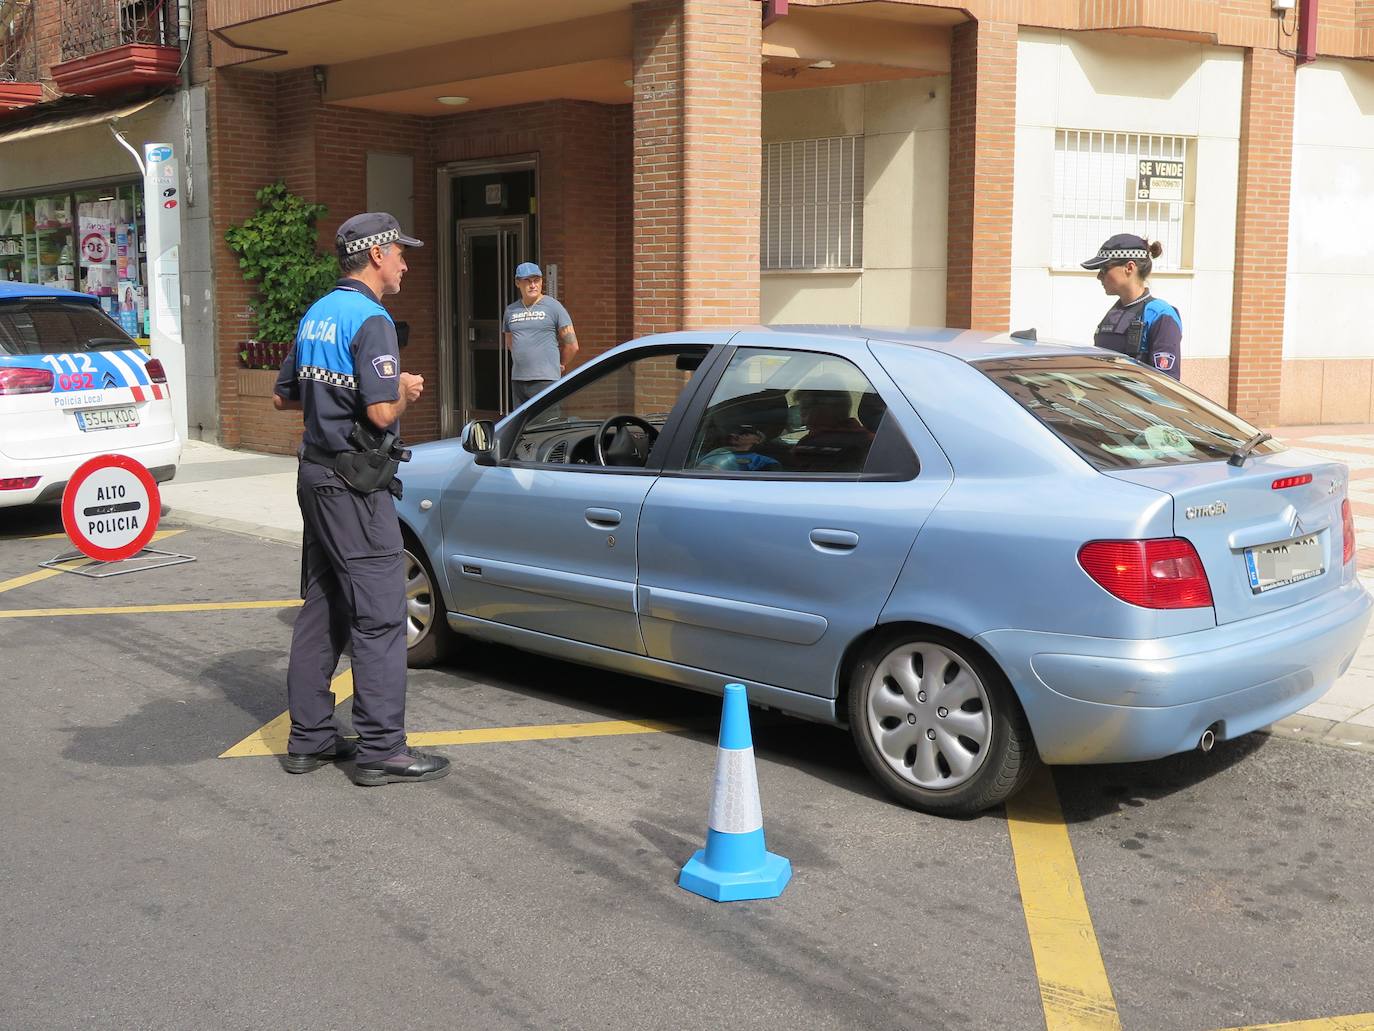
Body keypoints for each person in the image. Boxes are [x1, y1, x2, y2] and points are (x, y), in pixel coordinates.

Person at [272, 212, 451, 787]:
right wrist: (403, 391)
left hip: (316, 475)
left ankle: (311, 738)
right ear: (376, 255)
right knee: (379, 616)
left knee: (324, 602)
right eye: (400, 252)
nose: (405, 262)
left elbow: (283, 399)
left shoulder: (317, 313)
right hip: (354, 484)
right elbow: (378, 413)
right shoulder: (371, 319)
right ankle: (382, 749)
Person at [1081, 233, 1183, 380]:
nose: (1099, 276)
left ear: (1129, 267)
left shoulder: (1160, 315)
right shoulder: (1114, 313)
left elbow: (1166, 384)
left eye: (1104, 269)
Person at [502, 262, 577, 406]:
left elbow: (572, 345)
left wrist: (560, 364)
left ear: (542, 281)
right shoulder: (510, 310)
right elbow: (510, 342)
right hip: (519, 381)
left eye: (536, 280)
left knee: (546, 425)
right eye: (527, 281)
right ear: (518, 283)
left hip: (546, 381)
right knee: (521, 426)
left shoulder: (553, 307)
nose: (533, 285)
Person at [791, 386, 875, 473]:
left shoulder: (810, 446)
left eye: (805, 408)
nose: (801, 415)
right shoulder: (871, 440)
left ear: (827, 409)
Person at [696, 422, 781, 472]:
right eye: (735, 432)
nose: (736, 435)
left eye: (745, 433)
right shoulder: (717, 452)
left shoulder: (764, 461)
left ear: (758, 440)